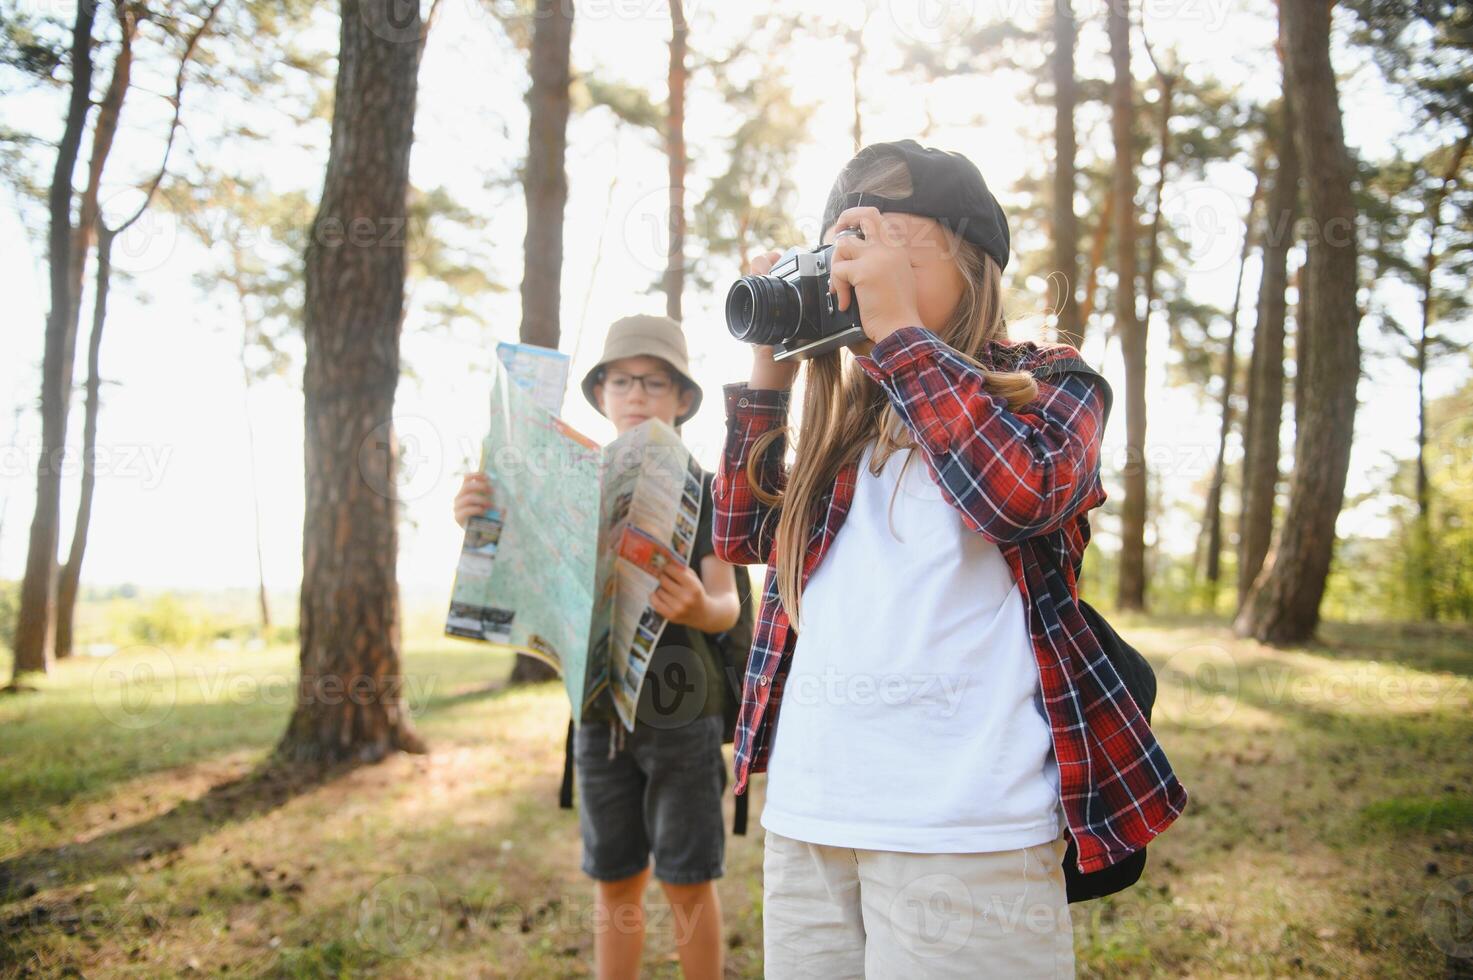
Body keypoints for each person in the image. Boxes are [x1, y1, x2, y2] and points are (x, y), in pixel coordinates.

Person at [711, 139, 1189, 978]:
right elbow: (742, 535)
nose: (854, 266)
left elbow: (1015, 496)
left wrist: (898, 337)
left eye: (882, 238)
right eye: (841, 246)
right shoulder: (843, 421)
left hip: (966, 829)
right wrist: (769, 369)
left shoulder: (1051, 384)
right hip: (811, 815)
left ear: (971, 261)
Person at [454, 314, 740, 980]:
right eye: (620, 380)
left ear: (681, 399)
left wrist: (699, 607)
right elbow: (522, 568)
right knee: (614, 878)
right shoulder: (568, 482)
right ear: (601, 393)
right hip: (597, 710)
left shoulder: (707, 489)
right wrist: (480, 517)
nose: (635, 393)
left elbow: (726, 604)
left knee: (687, 881)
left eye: (653, 381)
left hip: (680, 710)